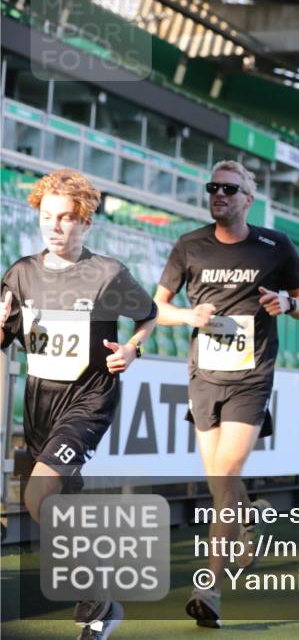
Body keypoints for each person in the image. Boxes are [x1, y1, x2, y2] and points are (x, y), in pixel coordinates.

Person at [153, 160, 299, 628]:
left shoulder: (275, 246)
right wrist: (189, 318)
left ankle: (210, 588)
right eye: (213, 187)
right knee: (218, 481)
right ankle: (248, 519)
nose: (219, 194)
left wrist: (285, 302)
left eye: (230, 188)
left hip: (252, 375)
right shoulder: (189, 246)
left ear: (249, 198)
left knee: (224, 474)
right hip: (204, 377)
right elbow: (158, 308)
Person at [0, 169, 157, 640]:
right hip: (39, 402)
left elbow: (147, 316)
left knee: (37, 496)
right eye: (47, 217)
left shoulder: (107, 273)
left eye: (66, 218)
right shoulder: (21, 273)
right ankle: (98, 604)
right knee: (49, 508)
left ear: (85, 222)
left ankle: (100, 599)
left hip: (88, 400)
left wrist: (134, 349)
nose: (54, 227)